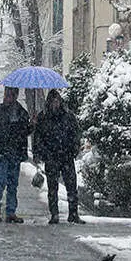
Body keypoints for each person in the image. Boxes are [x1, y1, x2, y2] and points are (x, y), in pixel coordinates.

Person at [33, 90, 84, 224]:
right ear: (49, 102)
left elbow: (76, 133)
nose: (55, 104)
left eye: (57, 101)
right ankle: (54, 214)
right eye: (53, 101)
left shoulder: (68, 116)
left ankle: (73, 213)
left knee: (71, 186)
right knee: (52, 187)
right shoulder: (43, 117)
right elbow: (38, 137)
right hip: (51, 157)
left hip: (66, 156)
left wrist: (74, 149)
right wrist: (39, 153)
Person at [0, 86, 31, 224]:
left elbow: (25, 132)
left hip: (15, 153)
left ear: (15, 95)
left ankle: (10, 212)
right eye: (7, 94)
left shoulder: (21, 112)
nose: (9, 97)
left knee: (13, 184)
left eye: (12, 94)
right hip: (2, 153)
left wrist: (31, 125)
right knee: (1, 181)